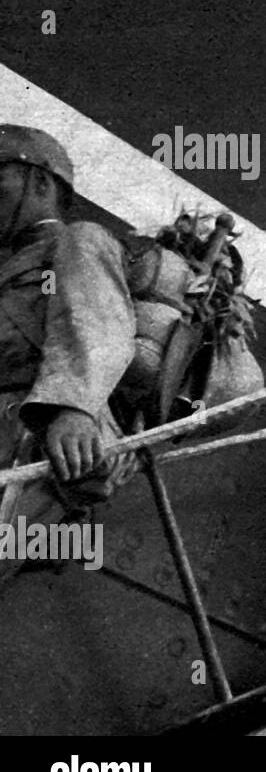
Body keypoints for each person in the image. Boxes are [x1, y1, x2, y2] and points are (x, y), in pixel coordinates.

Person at [0, 125, 135, 549]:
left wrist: (74, 410)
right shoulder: (11, 264)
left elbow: (98, 322)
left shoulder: (78, 240)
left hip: (38, 441)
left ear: (39, 181)